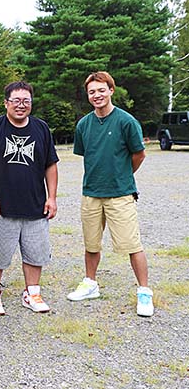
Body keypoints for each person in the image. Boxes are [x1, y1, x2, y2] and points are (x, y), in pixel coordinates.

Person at [67, 71, 154, 317]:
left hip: (120, 194)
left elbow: (139, 154)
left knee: (132, 244)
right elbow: (87, 155)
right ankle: (90, 284)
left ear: (111, 90)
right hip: (91, 193)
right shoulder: (84, 125)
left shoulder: (126, 122)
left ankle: (144, 292)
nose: (97, 95)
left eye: (101, 90)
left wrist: (123, 175)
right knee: (91, 243)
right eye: (92, 92)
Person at [0, 81, 59, 315]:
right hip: (2, 206)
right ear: (6, 103)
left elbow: (50, 165)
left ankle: (32, 294)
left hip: (35, 205)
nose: (21, 105)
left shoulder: (41, 129)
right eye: (16, 100)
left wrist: (52, 197)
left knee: (35, 252)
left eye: (26, 101)